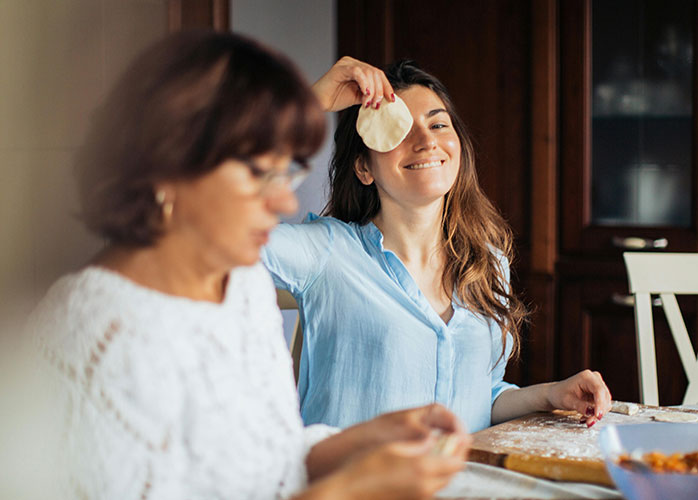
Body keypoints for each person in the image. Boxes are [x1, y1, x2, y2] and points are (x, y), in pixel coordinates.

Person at [29, 32, 471, 500]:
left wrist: (369, 438)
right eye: (260, 173)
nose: (283, 200)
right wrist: (349, 490)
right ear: (168, 169)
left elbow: (269, 457)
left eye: (287, 172)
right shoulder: (95, 332)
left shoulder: (241, 288)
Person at [262, 57, 612, 432]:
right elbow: (199, 221)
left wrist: (548, 395)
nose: (426, 140)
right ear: (364, 167)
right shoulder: (324, 253)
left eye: (438, 123)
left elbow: (480, 396)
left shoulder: (488, 264)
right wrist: (305, 107)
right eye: (398, 130)